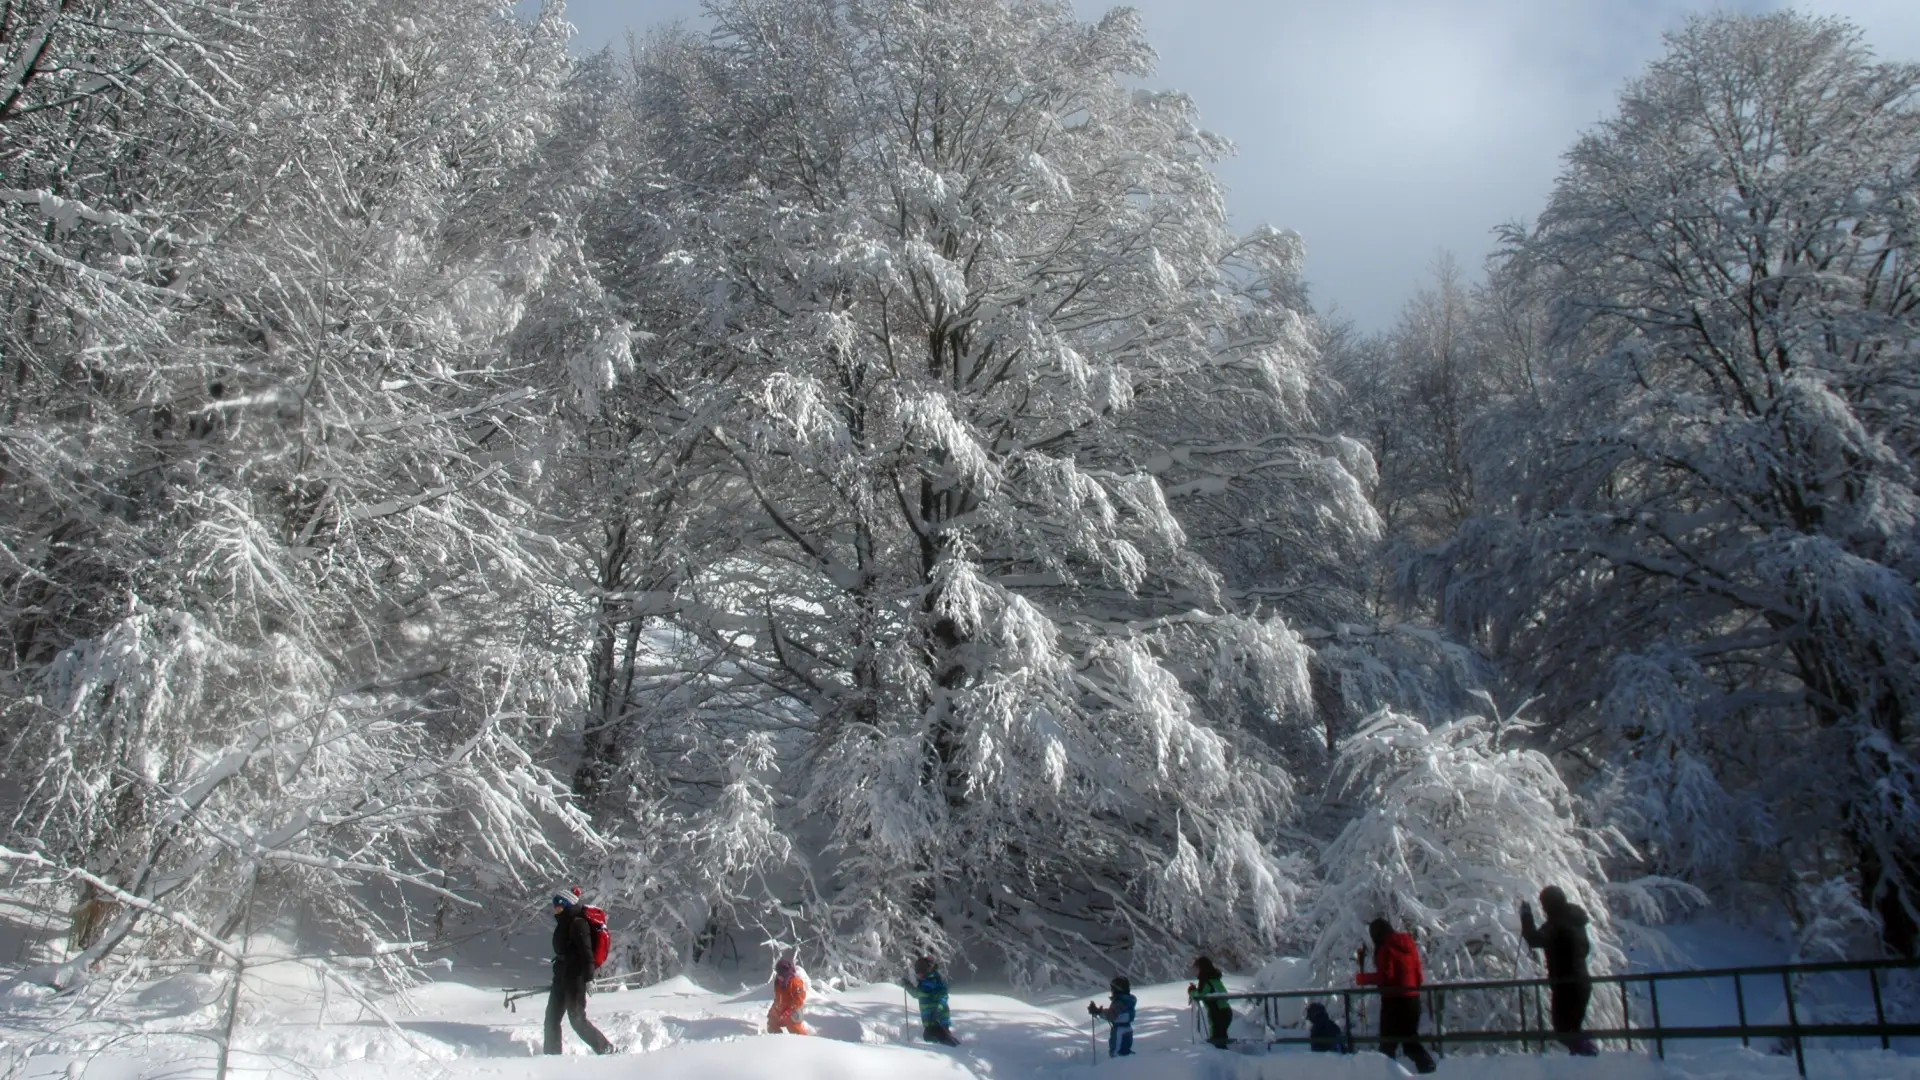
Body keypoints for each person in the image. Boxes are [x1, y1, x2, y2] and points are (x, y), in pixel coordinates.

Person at [1522, 885, 1599, 1056]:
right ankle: (1582, 1062)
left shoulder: (1556, 924)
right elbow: (1585, 949)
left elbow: (1535, 939)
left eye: (1543, 905)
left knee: (1563, 1031)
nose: (1543, 909)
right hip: (1582, 982)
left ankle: (1589, 1058)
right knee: (1572, 1029)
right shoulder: (1575, 920)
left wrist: (1526, 917)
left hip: (1566, 985)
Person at [1355, 918, 1435, 1074]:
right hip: (1412, 999)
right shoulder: (1408, 943)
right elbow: (1418, 974)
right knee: (1410, 1042)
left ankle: (1385, 1075)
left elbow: (1386, 976)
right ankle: (1430, 1071)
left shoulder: (1385, 948)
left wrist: (1363, 979)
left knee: (1387, 1045)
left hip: (1394, 1002)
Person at [544, 894, 613, 1055]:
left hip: (575, 980)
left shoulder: (578, 924)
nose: (555, 909)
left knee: (577, 1020)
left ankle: (607, 1049)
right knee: (551, 1020)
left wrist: (589, 979)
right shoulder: (563, 922)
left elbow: (587, 954)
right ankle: (550, 1058)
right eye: (555, 906)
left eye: (558, 906)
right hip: (560, 978)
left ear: (566, 904)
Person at [906, 955, 960, 1046]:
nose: (918, 975)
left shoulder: (936, 981)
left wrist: (938, 1010)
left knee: (941, 1041)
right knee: (928, 1038)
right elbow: (916, 994)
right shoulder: (922, 984)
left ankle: (956, 1049)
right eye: (917, 972)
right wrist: (907, 985)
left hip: (939, 1020)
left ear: (926, 970)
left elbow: (943, 997)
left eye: (920, 972)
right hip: (929, 1021)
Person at [1187, 956, 1232, 1048]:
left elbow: (1199, 994)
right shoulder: (1214, 979)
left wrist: (1191, 991)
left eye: (1197, 969)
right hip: (1226, 1011)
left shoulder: (1205, 980)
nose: (1196, 972)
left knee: (1216, 1039)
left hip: (1217, 1012)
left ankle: (1221, 1058)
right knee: (1221, 1036)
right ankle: (1225, 1055)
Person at [1087, 975, 1137, 1057]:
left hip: (1119, 1030)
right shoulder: (1128, 1000)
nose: (1111, 990)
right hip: (1127, 1028)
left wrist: (1098, 1011)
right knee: (1125, 1051)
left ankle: (1116, 1067)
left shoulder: (1120, 1001)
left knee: (1116, 1053)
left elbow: (1112, 1015)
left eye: (1113, 988)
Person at [767, 952, 812, 1035]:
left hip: (794, 1010)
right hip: (780, 1008)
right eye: (778, 974)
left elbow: (799, 999)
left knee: (793, 1026)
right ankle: (777, 1040)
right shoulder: (777, 983)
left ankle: (803, 1042)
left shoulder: (795, 983)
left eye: (780, 974)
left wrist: (789, 1010)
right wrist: (773, 1009)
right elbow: (777, 998)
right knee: (771, 1023)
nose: (778, 976)